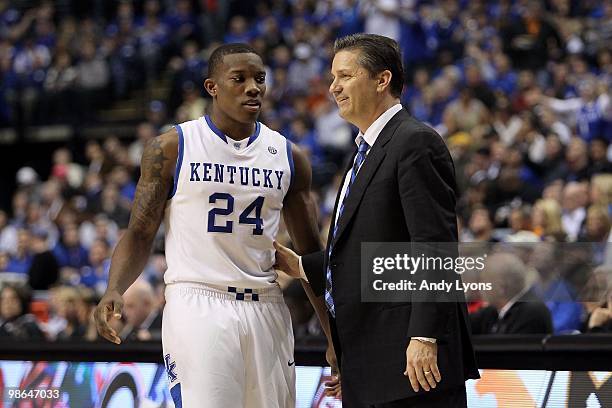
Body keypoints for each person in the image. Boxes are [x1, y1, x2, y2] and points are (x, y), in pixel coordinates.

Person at [94, 43, 331, 407]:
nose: (253, 87)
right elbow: (140, 231)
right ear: (212, 87)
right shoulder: (172, 147)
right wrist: (115, 288)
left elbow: (311, 253)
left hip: (267, 305)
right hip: (199, 302)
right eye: (239, 79)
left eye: (259, 79)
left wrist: (333, 336)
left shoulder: (289, 156)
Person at [274, 34, 478, 407]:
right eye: (333, 77)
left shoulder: (415, 142)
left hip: (411, 363)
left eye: (345, 76)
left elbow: (434, 245)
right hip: (371, 363)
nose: (333, 87)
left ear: (382, 80)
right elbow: (372, 251)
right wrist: (300, 265)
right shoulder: (364, 151)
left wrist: (425, 337)